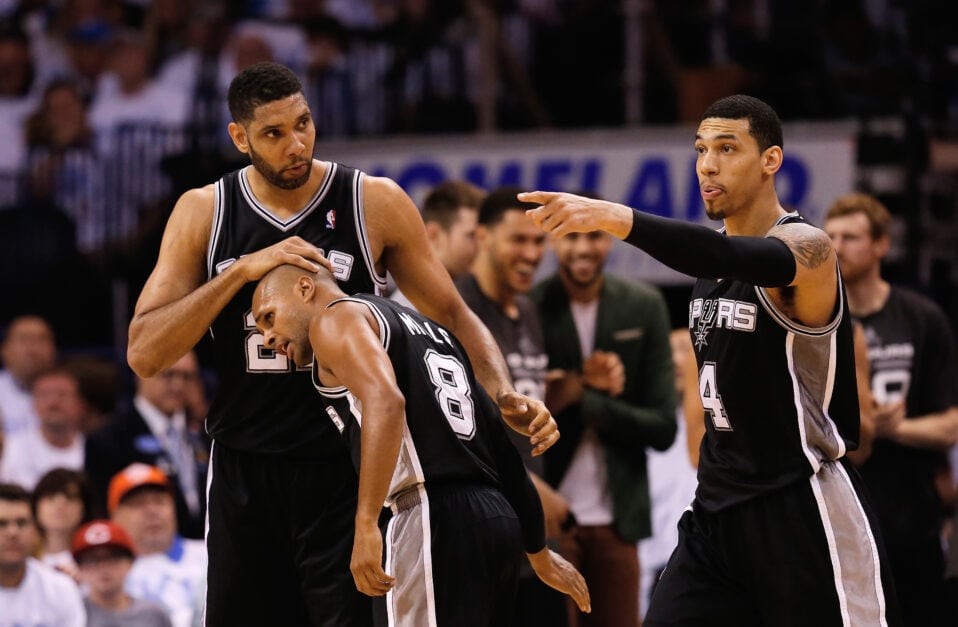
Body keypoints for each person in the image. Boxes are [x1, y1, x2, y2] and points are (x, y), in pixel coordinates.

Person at [125, 61, 557, 626]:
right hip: (243, 469)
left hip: (346, 469)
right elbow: (143, 352)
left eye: (303, 124)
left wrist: (501, 390)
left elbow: (454, 312)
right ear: (240, 138)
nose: (295, 144)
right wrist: (238, 273)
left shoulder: (371, 200)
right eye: (274, 134)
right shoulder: (205, 211)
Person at [521, 94, 901, 626]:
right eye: (700, 149)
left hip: (798, 502)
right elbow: (716, 256)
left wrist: (616, 216)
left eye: (727, 148)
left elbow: (723, 254)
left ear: (771, 160)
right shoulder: (711, 263)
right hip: (717, 512)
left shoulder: (808, 248)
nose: (707, 164)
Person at [251, 263, 590, 626]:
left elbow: (386, 400)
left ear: (305, 288)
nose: (268, 337)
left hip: (428, 517)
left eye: (269, 317)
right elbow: (501, 447)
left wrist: (365, 523)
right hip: (495, 518)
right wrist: (538, 552)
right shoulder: (434, 332)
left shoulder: (334, 319)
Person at [532, 222, 677, 627]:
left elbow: (664, 427)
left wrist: (584, 395)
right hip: (548, 516)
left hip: (620, 518)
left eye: (594, 236)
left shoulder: (643, 304)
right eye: (571, 236)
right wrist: (580, 383)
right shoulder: (530, 304)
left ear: (610, 241)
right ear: (553, 243)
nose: (583, 247)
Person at [824, 192, 958, 626]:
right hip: (842, 510)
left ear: (882, 245)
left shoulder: (921, 318)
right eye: (831, 236)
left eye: (852, 236)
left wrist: (888, 428)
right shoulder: (819, 321)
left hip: (912, 512)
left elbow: (951, 424)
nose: (838, 246)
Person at [455, 185, 568, 627]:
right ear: (482, 237)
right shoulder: (458, 310)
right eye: (518, 240)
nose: (532, 253)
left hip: (533, 532)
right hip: (484, 526)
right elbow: (460, 429)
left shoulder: (529, 311)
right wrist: (537, 494)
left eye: (539, 241)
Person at [86, 352, 210, 539]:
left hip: (204, 556)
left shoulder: (207, 434)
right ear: (141, 373)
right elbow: (103, 510)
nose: (178, 385)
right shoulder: (108, 438)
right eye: (168, 375)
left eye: (187, 377)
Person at [638, 330, 702, 618]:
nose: (677, 360)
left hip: (706, 569)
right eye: (670, 351)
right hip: (656, 576)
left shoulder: (720, 431)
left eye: (686, 351)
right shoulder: (651, 431)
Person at [108, 463, 206, 627]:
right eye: (138, 504)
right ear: (115, 516)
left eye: (159, 501)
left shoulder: (213, 555)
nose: (151, 511)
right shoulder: (104, 573)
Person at [0, 482, 86, 626]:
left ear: (35, 531)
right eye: (2, 524)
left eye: (22, 523)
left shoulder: (61, 590)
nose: (12, 533)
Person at [390, 179, 485, 308]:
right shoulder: (406, 313)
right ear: (433, 235)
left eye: (483, 237)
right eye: (472, 236)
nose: (482, 246)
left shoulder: (474, 299)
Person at [72, 519, 173, 627]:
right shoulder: (71, 613)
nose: (103, 567)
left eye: (112, 557)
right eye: (92, 560)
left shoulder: (153, 615)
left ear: (130, 562)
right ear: (79, 567)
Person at [0, 367, 87, 489]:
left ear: (80, 403)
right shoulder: (11, 447)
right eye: (44, 395)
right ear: (33, 404)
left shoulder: (94, 450)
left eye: (62, 394)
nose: (53, 402)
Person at [31, 467, 96, 577]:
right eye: (50, 497)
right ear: (35, 506)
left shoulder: (98, 557)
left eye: (70, 497)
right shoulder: (22, 557)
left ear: (85, 507)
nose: (60, 504)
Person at [0, 315, 56, 437]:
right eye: (24, 340)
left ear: (54, 349)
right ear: (5, 350)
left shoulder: (71, 391)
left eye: (41, 339)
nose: (32, 348)